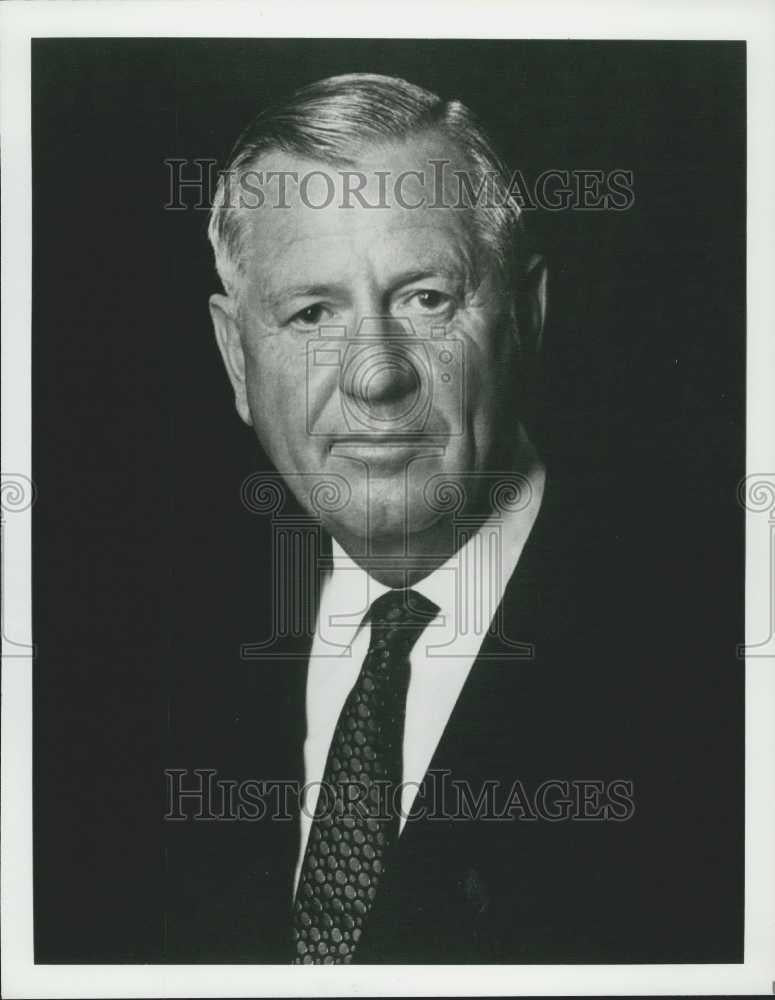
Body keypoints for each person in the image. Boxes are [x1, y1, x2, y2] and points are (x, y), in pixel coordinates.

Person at [163, 73, 740, 965]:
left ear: (525, 317)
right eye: (313, 312)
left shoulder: (723, 648)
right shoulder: (133, 658)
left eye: (425, 298)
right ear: (236, 360)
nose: (374, 374)